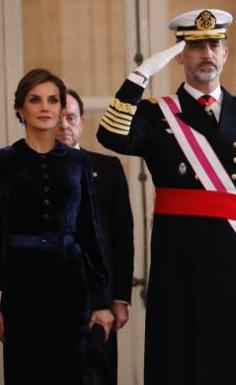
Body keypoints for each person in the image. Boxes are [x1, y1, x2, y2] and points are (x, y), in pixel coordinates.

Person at [96, 9, 236, 385]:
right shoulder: (157, 114)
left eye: (214, 44)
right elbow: (110, 135)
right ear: (180, 55)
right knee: (178, 362)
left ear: (225, 53)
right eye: (195, 46)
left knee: (231, 364)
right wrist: (139, 76)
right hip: (177, 261)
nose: (206, 53)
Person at [0, 68, 112, 384]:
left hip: (70, 287)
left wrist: (101, 301)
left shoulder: (78, 163)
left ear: (62, 107)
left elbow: (91, 233)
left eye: (52, 100)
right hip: (21, 289)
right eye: (35, 100)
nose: (45, 107)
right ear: (20, 108)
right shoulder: (4, 162)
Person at [56, 89, 134, 385]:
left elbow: (122, 238)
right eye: (59, 118)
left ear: (82, 121)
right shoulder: (25, 167)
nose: (64, 125)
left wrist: (120, 298)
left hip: (97, 305)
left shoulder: (107, 169)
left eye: (71, 117)